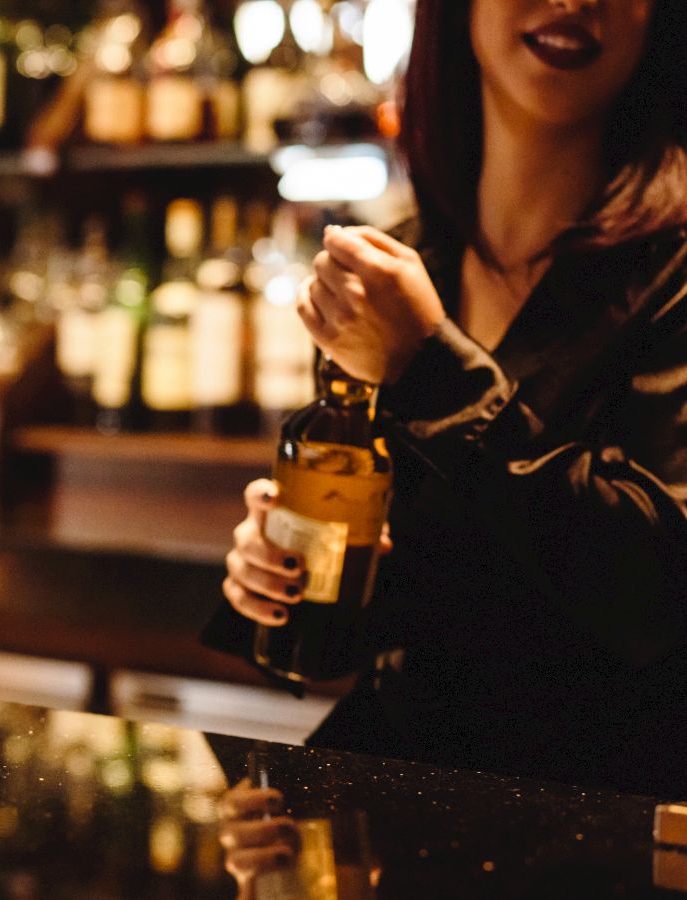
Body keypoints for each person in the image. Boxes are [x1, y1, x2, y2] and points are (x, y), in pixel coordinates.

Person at [206, 0, 687, 797]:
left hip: (605, 825)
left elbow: (658, 594)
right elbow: (389, 622)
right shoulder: (405, 262)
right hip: (399, 806)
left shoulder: (671, 268)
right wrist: (283, 578)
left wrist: (431, 368)